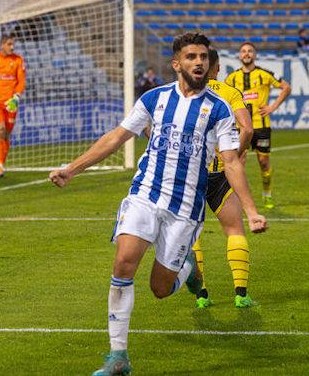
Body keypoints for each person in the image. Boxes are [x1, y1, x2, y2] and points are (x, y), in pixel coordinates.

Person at [49, 33, 267, 376]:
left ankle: (187, 270)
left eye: (203, 57)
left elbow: (232, 161)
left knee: (160, 289)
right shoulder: (153, 99)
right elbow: (117, 136)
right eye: (191, 57)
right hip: (145, 194)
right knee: (123, 263)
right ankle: (118, 357)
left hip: (185, 207)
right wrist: (72, 169)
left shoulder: (220, 109)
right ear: (176, 63)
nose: (199, 62)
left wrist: (251, 210)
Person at [192, 48, 263, 309]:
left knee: (191, 236)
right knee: (234, 229)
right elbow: (248, 128)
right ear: (218, 68)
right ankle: (241, 294)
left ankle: (202, 295)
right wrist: (237, 152)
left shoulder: (181, 93)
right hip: (221, 172)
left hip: (190, 175)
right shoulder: (229, 93)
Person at [225, 43, 292, 209]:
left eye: (249, 51)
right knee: (239, 162)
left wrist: (273, 107)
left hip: (261, 126)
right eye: (243, 51)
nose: (246, 54)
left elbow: (286, 87)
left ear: (254, 55)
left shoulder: (265, 74)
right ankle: (239, 198)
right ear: (239, 56)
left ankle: (267, 193)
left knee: (263, 161)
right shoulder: (231, 78)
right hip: (240, 127)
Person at [0, 35, 26, 178]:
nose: (12, 47)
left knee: (7, 134)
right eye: (9, 44)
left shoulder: (18, 60)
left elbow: (21, 81)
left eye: (13, 44)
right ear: (2, 45)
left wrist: (16, 97)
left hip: (11, 104)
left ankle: (1, 164)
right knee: (0, 130)